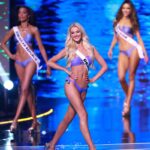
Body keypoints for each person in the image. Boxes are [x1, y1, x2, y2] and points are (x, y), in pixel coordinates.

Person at [46, 22, 107, 150]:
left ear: (82, 32)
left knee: (68, 118)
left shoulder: (91, 49)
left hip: (84, 88)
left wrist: (93, 79)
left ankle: (52, 145)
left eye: (77, 31)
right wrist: (65, 70)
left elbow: (104, 66)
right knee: (83, 114)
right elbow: (50, 62)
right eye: (72, 33)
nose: (75, 34)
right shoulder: (69, 49)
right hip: (71, 85)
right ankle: (92, 147)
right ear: (70, 35)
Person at [1, 6, 50, 133]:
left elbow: (42, 48)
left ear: (28, 15)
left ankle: (15, 121)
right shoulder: (14, 30)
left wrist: (48, 65)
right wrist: (11, 55)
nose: (21, 15)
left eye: (24, 13)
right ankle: (35, 122)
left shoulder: (34, 29)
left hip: (31, 61)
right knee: (27, 92)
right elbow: (2, 43)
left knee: (24, 89)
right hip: (18, 62)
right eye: (19, 13)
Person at [108, 0, 149, 117]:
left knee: (131, 77)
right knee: (121, 78)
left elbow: (139, 38)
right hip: (122, 52)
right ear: (121, 9)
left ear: (131, 10)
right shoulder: (116, 21)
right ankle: (128, 98)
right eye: (124, 8)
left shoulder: (133, 22)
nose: (126, 10)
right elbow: (115, 37)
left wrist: (145, 53)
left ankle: (127, 104)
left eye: (128, 8)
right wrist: (111, 48)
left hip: (134, 50)